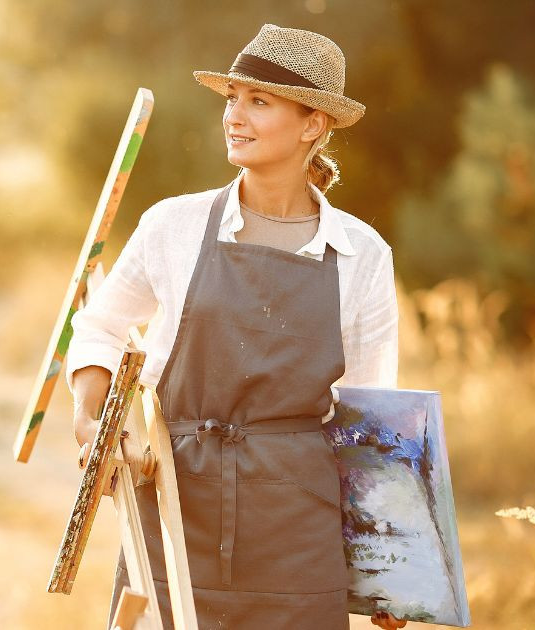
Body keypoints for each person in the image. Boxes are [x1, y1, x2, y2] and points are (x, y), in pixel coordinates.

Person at [65, 24, 406, 629]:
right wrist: (92, 415)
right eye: (231, 99)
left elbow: (371, 417)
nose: (234, 116)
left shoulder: (362, 253)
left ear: (313, 124)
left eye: (260, 101)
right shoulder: (174, 225)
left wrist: (388, 571)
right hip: (174, 506)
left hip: (297, 529)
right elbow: (100, 328)